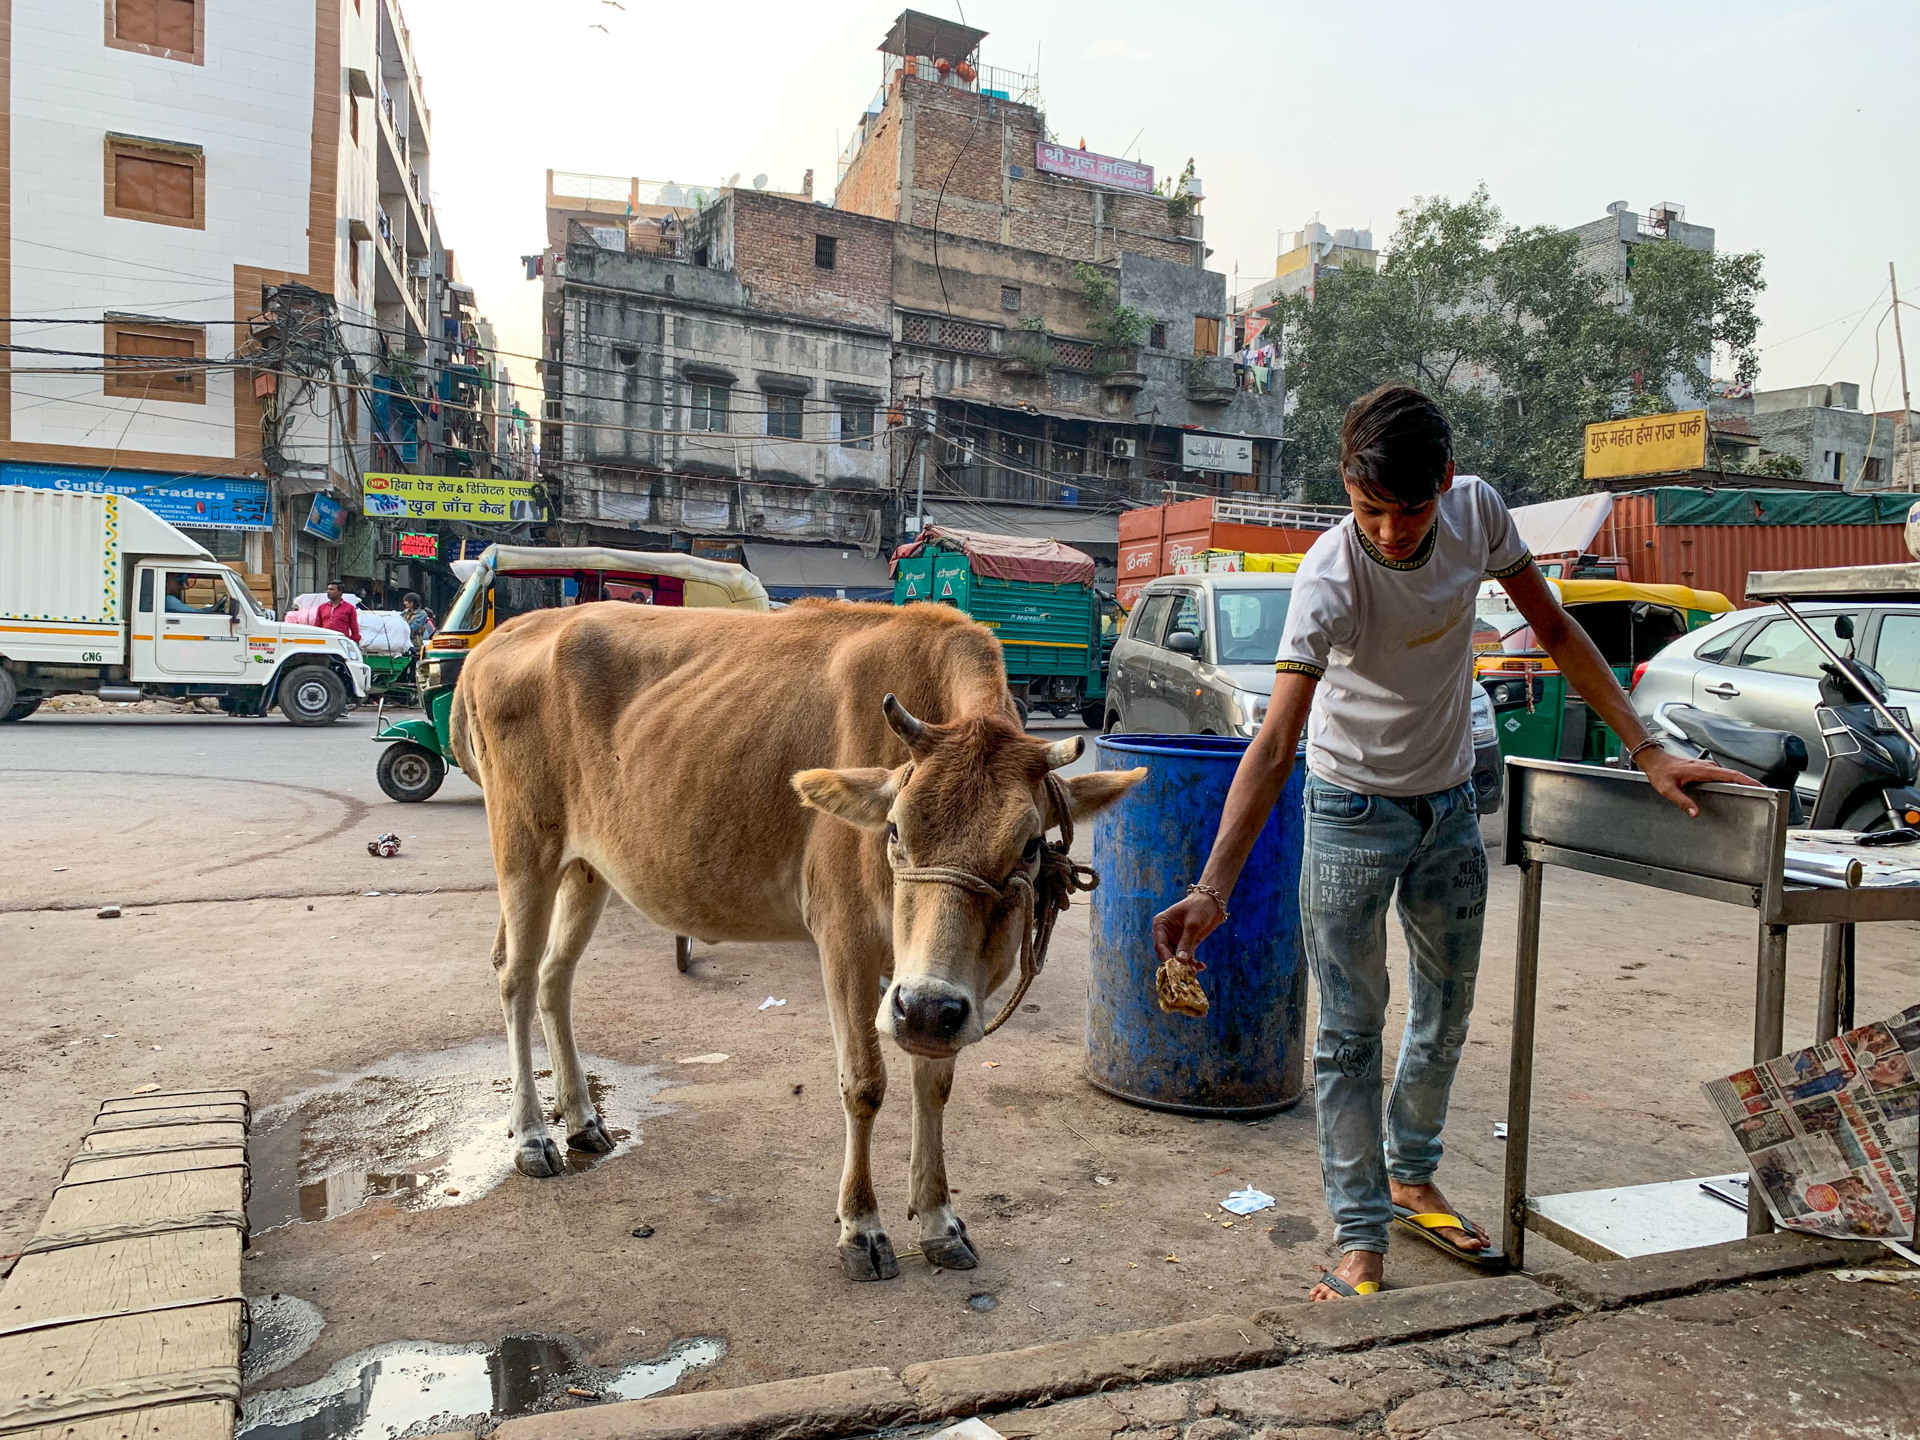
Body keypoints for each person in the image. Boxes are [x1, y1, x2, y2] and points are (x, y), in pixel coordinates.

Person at [1149, 384, 1752, 1303]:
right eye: (1368, 510)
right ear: (1348, 493)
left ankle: (1411, 1174)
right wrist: (1213, 887)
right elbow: (1275, 745)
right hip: (1350, 813)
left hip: (1448, 808)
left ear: (1446, 479)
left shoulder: (1479, 512)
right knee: (1350, 1036)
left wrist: (1647, 746)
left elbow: (1552, 627)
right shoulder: (1329, 579)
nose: (1391, 532)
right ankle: (1359, 1242)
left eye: (1409, 507)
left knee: (1445, 1012)